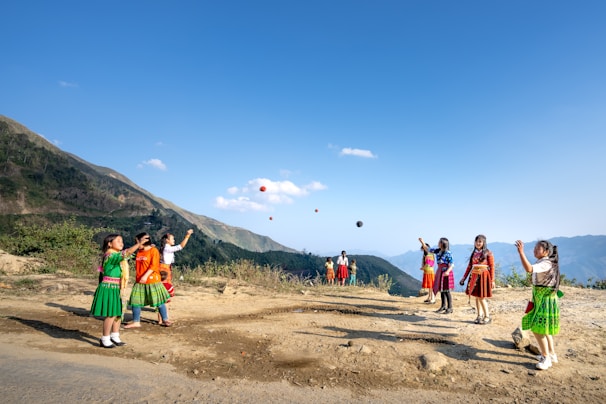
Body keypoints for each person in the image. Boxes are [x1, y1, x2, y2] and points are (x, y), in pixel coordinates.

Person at [90, 233, 147, 348]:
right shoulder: (110, 256)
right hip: (109, 287)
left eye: (122, 241)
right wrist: (138, 244)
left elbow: (125, 255)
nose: (121, 243)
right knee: (111, 314)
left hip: (117, 287)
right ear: (109, 244)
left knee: (118, 312)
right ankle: (105, 338)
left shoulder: (115, 255)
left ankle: (114, 335)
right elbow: (125, 253)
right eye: (118, 241)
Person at [515, 239, 562, 370]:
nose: (535, 250)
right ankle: (551, 354)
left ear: (546, 252)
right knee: (545, 328)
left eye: (538, 249)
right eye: (534, 248)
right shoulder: (544, 262)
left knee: (537, 328)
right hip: (542, 298)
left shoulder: (546, 263)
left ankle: (546, 357)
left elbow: (529, 269)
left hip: (544, 299)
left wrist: (521, 253)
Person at [124, 232, 172, 328]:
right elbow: (127, 255)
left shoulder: (153, 251)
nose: (136, 244)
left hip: (152, 280)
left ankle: (165, 320)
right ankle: (136, 321)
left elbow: (153, 266)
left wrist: (145, 276)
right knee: (135, 301)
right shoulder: (139, 252)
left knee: (159, 301)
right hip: (140, 280)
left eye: (137, 241)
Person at [460, 235, 495, 324]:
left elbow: (492, 267)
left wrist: (492, 280)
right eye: (476, 241)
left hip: (483, 276)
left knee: (481, 297)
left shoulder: (488, 253)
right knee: (476, 296)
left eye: (480, 242)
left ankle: (487, 316)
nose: (478, 243)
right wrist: (464, 278)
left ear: (484, 243)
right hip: (474, 276)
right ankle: (479, 315)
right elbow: (469, 267)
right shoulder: (474, 253)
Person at [419, 237, 454, 314]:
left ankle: (450, 307)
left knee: (446, 290)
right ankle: (443, 306)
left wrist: (447, 271)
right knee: (441, 289)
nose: (438, 243)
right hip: (440, 271)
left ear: (443, 244)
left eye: (440, 242)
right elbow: (427, 249)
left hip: (446, 272)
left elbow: (452, 264)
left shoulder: (448, 253)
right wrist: (422, 242)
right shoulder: (437, 251)